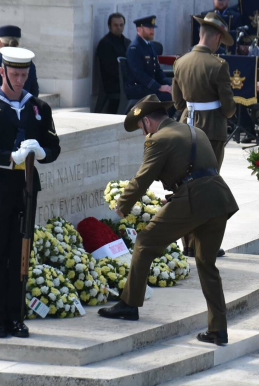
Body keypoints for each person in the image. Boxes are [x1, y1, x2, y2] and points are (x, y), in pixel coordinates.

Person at [98, 95, 239, 347]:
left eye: (141, 129)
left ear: (147, 122)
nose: (143, 135)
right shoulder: (195, 131)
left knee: (144, 241)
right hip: (219, 198)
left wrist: (122, 206)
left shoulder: (158, 139)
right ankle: (218, 330)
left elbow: (143, 178)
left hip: (193, 200)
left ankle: (129, 304)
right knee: (207, 265)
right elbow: (200, 169)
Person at [0, 47, 61, 338]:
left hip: (26, 188)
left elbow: (53, 145)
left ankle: (17, 315)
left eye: (24, 74)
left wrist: (42, 153)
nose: (20, 80)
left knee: (20, 253)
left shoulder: (38, 108)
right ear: (3, 72)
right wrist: (11, 156)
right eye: (15, 74)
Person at [173, 12, 236, 258]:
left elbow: (178, 103)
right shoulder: (218, 65)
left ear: (201, 35)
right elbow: (228, 108)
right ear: (218, 38)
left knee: (186, 185)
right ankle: (203, 244)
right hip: (211, 131)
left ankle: (187, 243)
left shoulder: (181, 62)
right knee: (208, 186)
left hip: (184, 129)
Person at [124, 15, 173, 110]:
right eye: (149, 28)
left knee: (176, 94)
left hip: (148, 87)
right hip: (138, 88)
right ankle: (162, 122)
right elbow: (139, 74)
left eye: (153, 28)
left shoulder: (149, 45)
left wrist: (169, 85)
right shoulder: (135, 48)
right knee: (168, 98)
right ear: (139, 29)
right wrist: (159, 87)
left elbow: (157, 70)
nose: (152, 31)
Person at [96, 13, 131, 114]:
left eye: (121, 25)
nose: (119, 28)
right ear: (109, 26)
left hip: (126, 81)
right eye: (115, 25)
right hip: (114, 84)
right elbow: (111, 69)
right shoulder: (105, 44)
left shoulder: (127, 42)